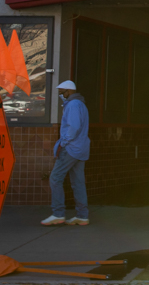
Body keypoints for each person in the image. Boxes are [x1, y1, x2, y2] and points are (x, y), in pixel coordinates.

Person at [41, 80, 90, 226]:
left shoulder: (73, 105)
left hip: (71, 148)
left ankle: (58, 213)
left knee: (55, 178)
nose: (61, 95)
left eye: (62, 92)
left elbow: (73, 127)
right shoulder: (81, 104)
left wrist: (63, 142)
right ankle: (82, 216)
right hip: (81, 149)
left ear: (69, 91)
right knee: (78, 182)